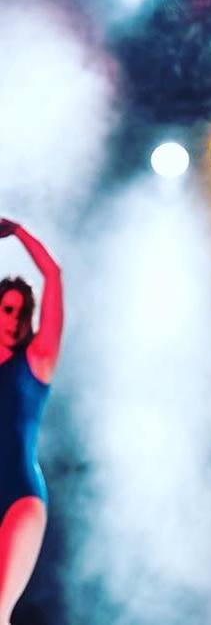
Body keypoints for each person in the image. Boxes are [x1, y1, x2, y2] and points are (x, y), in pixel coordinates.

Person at [0, 219, 62, 625]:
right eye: (7, 309)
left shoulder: (37, 360)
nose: (15, 319)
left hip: (20, 497)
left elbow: (52, 276)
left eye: (24, 312)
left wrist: (19, 232)